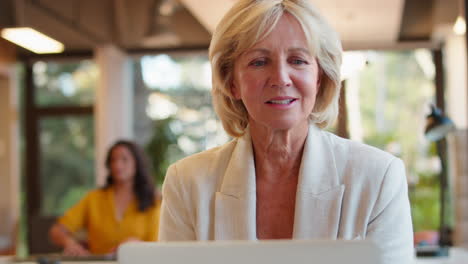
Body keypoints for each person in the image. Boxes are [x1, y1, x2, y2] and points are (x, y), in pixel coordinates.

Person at [159, 0, 413, 263]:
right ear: (232, 82)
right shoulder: (187, 183)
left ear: (319, 77)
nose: (281, 78)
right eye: (259, 62)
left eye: (298, 60)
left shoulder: (379, 177)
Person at [49, 140, 161, 256]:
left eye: (124, 159)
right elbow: (57, 231)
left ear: (137, 164)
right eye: (113, 160)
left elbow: (158, 246)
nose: (118, 165)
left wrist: (137, 245)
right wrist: (70, 243)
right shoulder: (94, 198)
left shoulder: (152, 201)